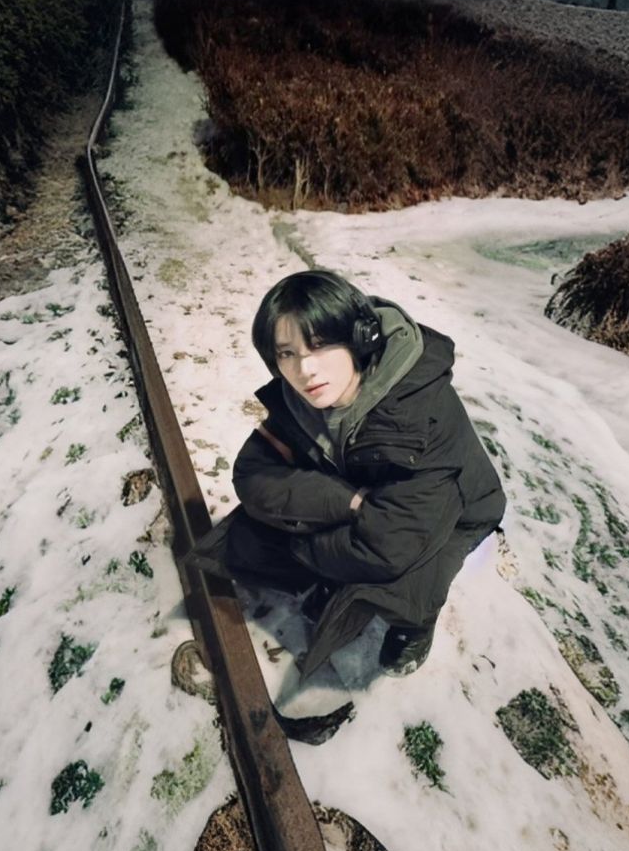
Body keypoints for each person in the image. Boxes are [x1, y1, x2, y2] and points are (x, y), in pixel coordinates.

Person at [201, 269, 506, 679]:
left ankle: (416, 621)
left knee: (405, 578)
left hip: (460, 510)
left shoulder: (421, 410)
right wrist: (347, 502)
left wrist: (299, 542)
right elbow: (252, 474)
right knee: (253, 531)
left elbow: (390, 547)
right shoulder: (302, 400)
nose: (305, 369)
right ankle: (336, 563)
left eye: (320, 346)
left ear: (360, 339)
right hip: (363, 493)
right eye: (287, 353)